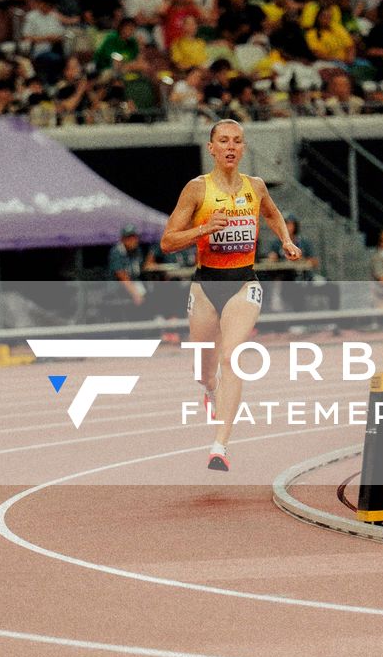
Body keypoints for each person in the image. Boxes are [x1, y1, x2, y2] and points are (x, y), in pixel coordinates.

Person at [160, 118, 300, 472]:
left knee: (232, 358)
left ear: (244, 147)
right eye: (223, 140)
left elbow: (271, 212)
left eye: (237, 140)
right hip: (206, 286)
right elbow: (167, 242)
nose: (231, 146)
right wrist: (205, 228)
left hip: (243, 283)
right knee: (205, 372)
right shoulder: (197, 189)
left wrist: (285, 239)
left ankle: (219, 445)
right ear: (211, 148)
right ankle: (209, 390)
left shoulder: (255, 186)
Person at [106, 225, 157, 309]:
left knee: (154, 289)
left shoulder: (137, 250)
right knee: (141, 295)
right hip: (119, 289)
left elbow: (141, 269)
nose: (132, 240)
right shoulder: (117, 252)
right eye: (129, 238)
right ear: (123, 239)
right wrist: (135, 293)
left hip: (136, 283)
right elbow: (122, 276)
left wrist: (150, 265)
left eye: (134, 237)